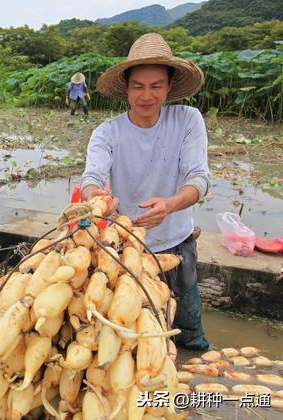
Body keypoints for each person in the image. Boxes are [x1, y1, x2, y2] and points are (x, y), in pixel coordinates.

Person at [80, 33, 210, 350]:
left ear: (168, 86)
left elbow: (199, 179)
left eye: (156, 86)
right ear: (126, 88)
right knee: (136, 336)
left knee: (189, 330)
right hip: (127, 252)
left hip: (177, 247)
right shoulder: (107, 132)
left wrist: (170, 203)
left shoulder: (187, 120)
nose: (146, 95)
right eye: (138, 85)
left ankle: (190, 381)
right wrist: (98, 200)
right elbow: (90, 178)